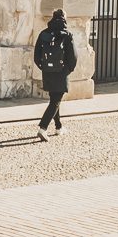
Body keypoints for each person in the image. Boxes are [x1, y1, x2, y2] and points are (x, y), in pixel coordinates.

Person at [33, 8, 77, 141]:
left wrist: (44, 68)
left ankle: (59, 127)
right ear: (64, 18)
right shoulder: (67, 35)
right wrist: (67, 70)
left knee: (54, 100)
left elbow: (36, 55)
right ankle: (43, 128)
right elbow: (73, 57)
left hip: (48, 72)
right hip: (61, 72)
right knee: (55, 101)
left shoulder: (43, 34)